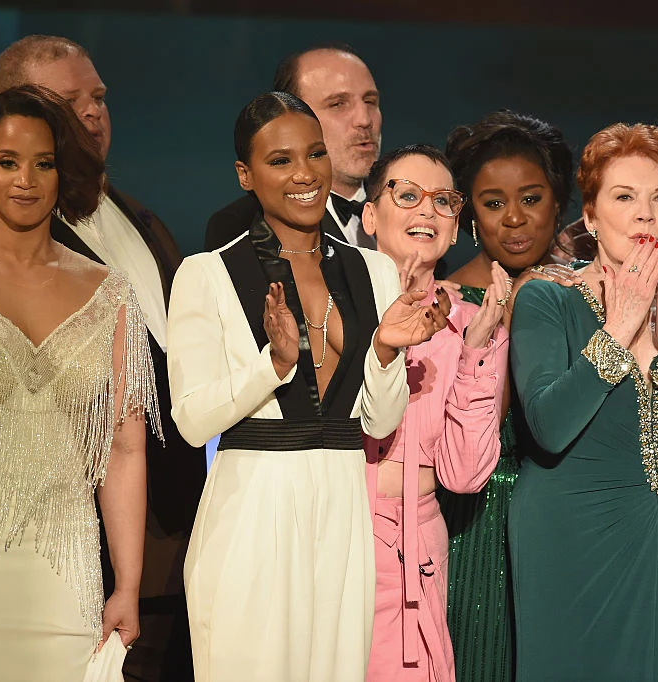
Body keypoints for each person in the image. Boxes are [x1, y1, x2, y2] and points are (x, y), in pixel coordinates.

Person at [0, 35, 204, 680]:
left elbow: (125, 445)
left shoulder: (107, 288)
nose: (25, 181)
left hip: (66, 567)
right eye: (7, 162)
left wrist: (129, 582)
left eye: (43, 164)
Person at [168, 92, 448, 682]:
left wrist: (385, 351)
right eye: (280, 160)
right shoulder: (208, 273)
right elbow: (193, 421)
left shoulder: (370, 269)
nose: (304, 174)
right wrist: (273, 365)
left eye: (315, 153)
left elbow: (379, 423)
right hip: (253, 511)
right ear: (246, 174)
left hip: (344, 510)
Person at [509, 122, 658, 681]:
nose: (644, 214)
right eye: (624, 197)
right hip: (566, 529)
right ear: (589, 215)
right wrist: (623, 323)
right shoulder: (545, 298)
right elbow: (548, 426)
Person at [359, 144, 508, 680]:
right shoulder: (335, 306)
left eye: (444, 201)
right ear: (370, 214)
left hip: (421, 538)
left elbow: (465, 476)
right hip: (342, 530)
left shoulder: (471, 321)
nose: (428, 211)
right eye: (408, 195)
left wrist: (476, 350)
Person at [438, 109, 577, 682]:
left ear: (559, 202)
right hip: (474, 519)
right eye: (494, 203)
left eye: (532, 197)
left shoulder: (590, 295)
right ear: (470, 212)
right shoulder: (442, 302)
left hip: (570, 515)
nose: (515, 218)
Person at [206, 44, 381, 251]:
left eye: (370, 101)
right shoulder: (241, 225)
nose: (364, 119)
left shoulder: (415, 208)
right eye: (337, 104)